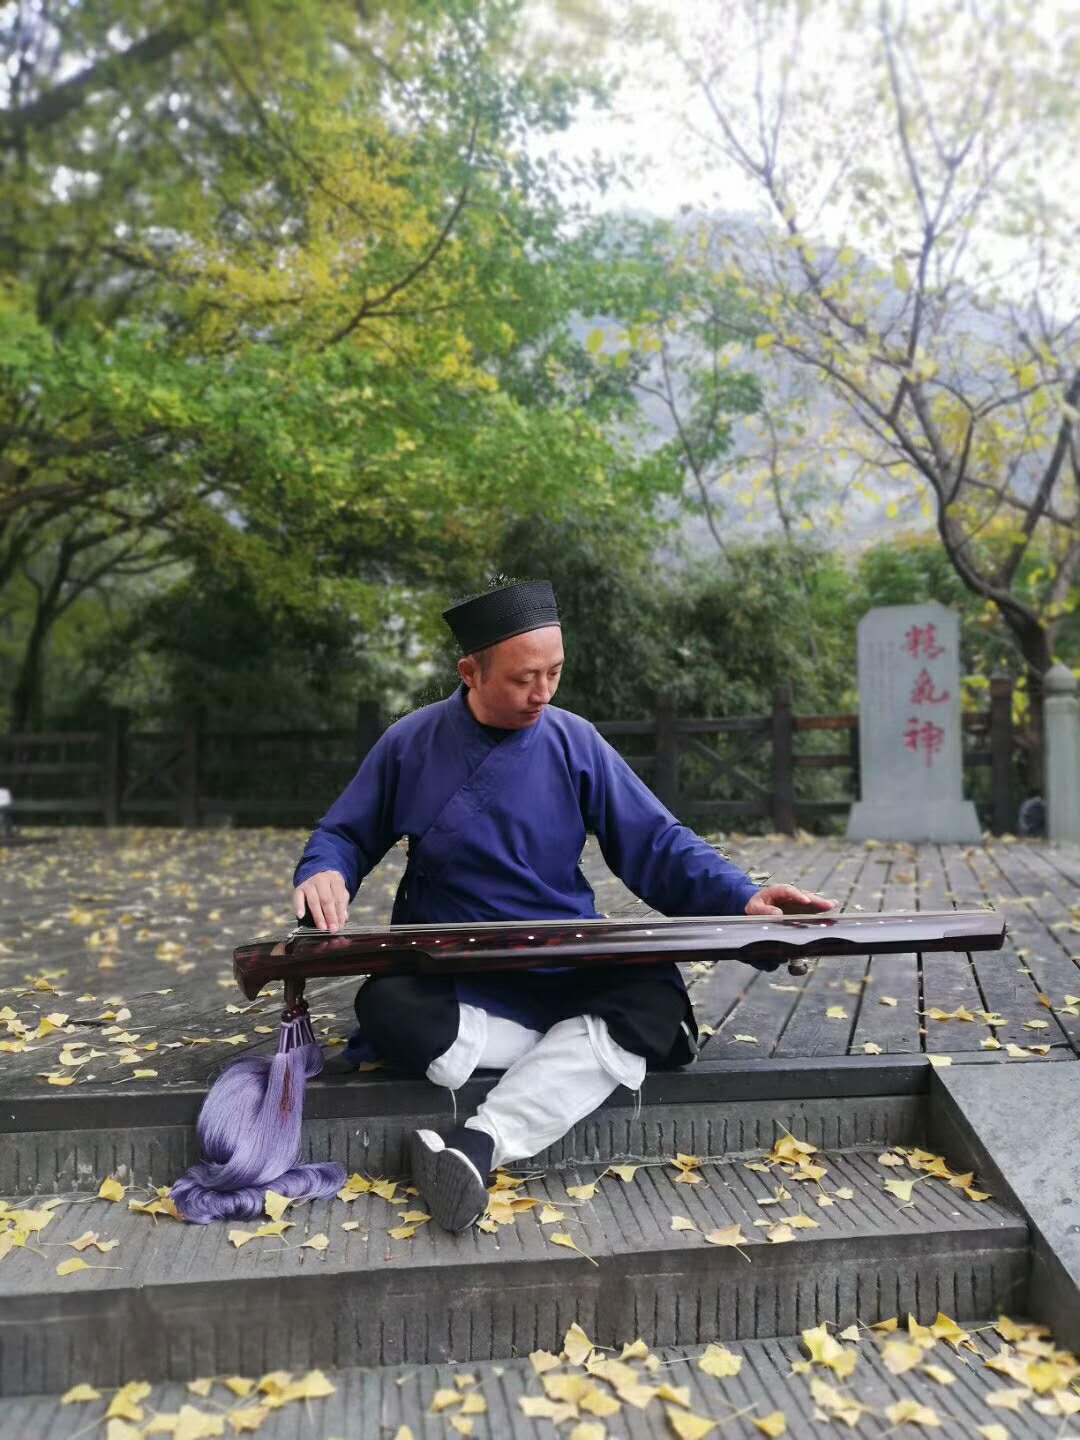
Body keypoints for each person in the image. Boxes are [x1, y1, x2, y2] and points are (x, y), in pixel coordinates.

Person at [292, 580, 836, 1232]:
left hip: (564, 959)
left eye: (554, 672)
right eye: (524, 678)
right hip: (456, 969)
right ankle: (576, 1054)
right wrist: (326, 870)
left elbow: (656, 843)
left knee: (654, 995)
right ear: (470, 672)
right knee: (386, 1008)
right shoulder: (410, 743)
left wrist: (744, 897)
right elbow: (345, 834)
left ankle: (480, 1141)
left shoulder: (575, 741)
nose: (543, 693)